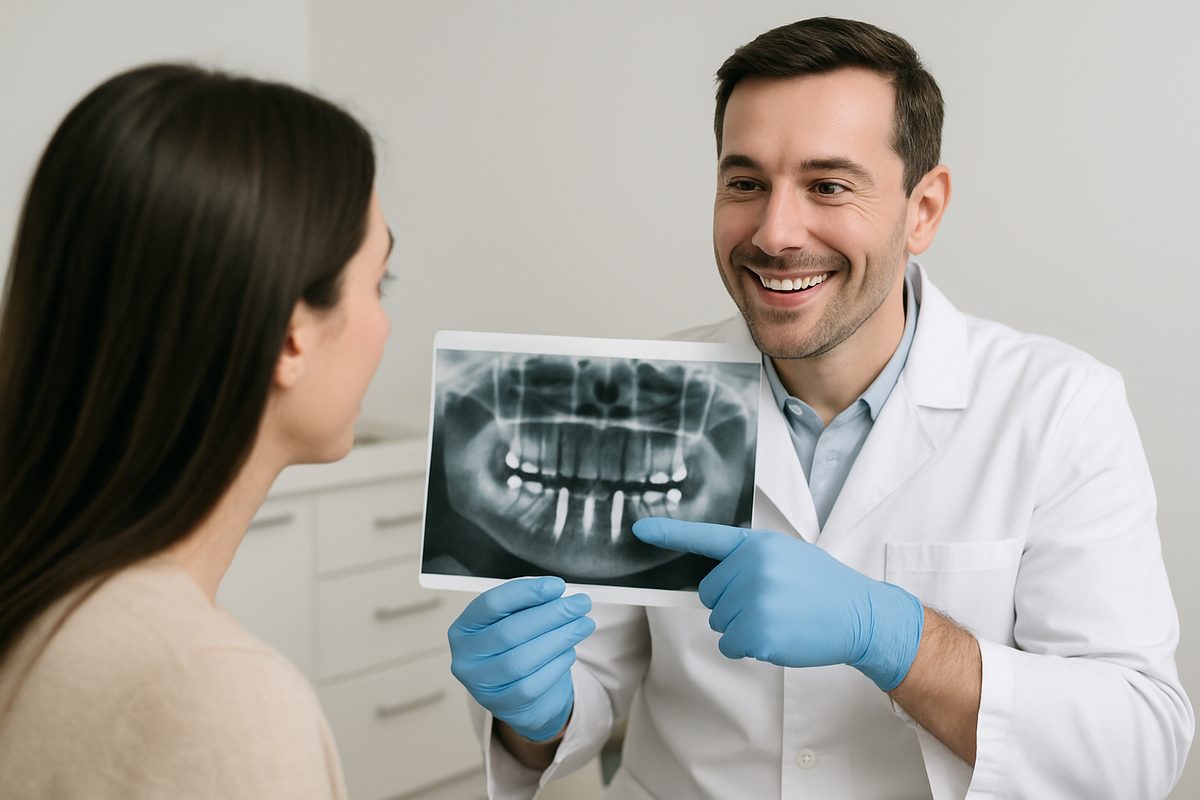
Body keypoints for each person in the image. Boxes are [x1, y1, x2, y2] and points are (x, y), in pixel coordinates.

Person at [446, 16, 1193, 799]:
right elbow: (582, 690)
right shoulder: (648, 396)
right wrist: (533, 714)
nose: (774, 233)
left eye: (828, 186)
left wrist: (897, 639)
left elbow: (1136, 745)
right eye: (745, 183)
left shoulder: (1060, 407)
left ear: (925, 209)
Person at [0, 64, 392, 798]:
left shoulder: (47, 595)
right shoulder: (217, 696)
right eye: (380, 283)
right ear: (290, 339)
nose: (386, 324)